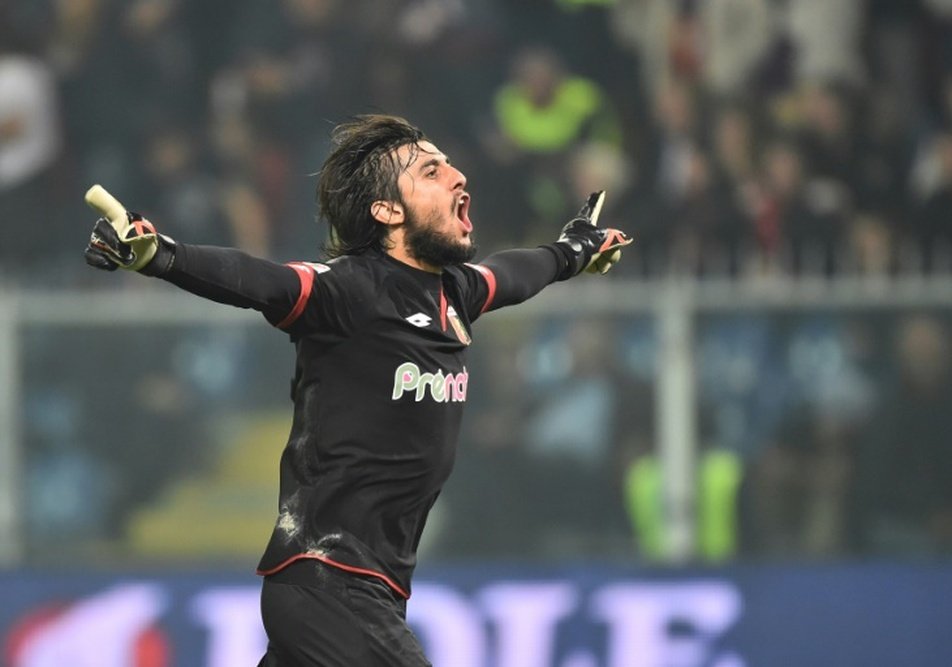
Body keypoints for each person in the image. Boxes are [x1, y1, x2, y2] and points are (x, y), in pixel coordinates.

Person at [83, 114, 632, 666]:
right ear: (388, 211)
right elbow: (259, 280)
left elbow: (512, 274)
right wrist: (163, 256)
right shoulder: (350, 290)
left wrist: (570, 253)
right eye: (432, 171)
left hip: (369, 590)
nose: (459, 177)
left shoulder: (454, 295)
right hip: (331, 580)